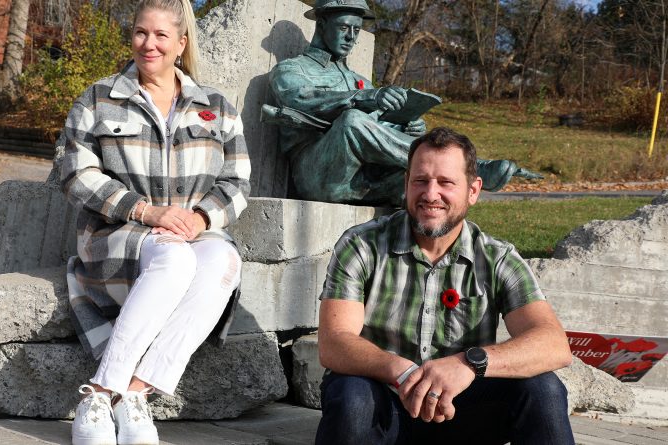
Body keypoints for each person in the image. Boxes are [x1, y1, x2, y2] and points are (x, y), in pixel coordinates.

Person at [59, 1, 250, 444]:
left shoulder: (216, 107)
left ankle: (135, 393)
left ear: (181, 44)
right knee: (175, 261)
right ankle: (100, 393)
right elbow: (75, 173)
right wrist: (146, 212)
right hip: (119, 235)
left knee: (223, 260)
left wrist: (201, 219)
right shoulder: (99, 98)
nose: (150, 44)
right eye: (141, 33)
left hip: (191, 231)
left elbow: (238, 181)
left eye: (162, 35)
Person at [315, 127, 575, 444]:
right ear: (406, 185)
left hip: (464, 411)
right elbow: (334, 342)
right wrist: (402, 371)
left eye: (446, 183)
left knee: (543, 388)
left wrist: (469, 364)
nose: (431, 194)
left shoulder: (497, 258)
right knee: (350, 394)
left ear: (473, 190)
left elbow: (553, 344)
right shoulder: (361, 245)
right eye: (420, 181)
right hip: (383, 404)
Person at [268, 0, 540, 206]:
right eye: (343, 27)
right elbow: (299, 98)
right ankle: (466, 167)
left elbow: (375, 130)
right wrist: (362, 97)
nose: (351, 36)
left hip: (364, 179)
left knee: (424, 186)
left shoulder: (358, 79)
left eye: (356, 29)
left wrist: (405, 127)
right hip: (319, 176)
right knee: (352, 121)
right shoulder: (292, 69)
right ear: (321, 24)